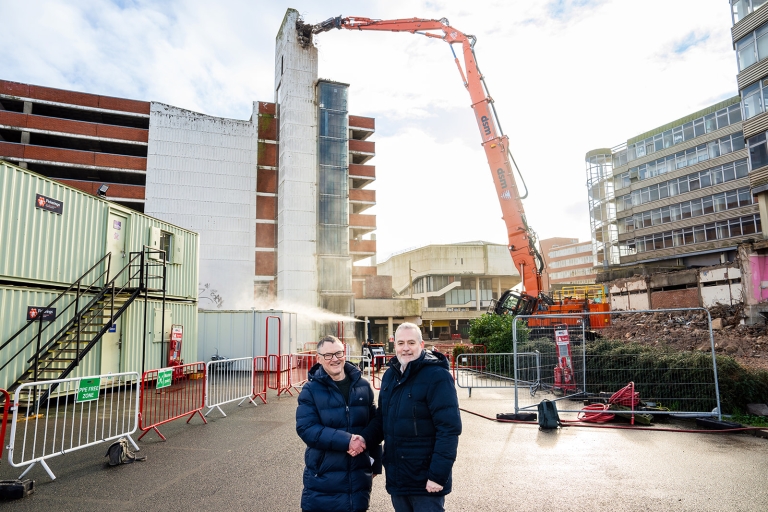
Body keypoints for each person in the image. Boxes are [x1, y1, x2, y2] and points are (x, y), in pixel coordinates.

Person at [360, 322, 462, 512]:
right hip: (398, 478)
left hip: (426, 481)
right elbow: (383, 419)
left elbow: (449, 429)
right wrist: (364, 439)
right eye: (400, 343)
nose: (405, 348)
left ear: (421, 345)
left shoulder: (438, 377)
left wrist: (438, 476)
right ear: (395, 346)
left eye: (411, 343)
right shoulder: (390, 376)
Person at [296, 335, 381, 512]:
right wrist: (347, 440)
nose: (334, 359)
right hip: (324, 478)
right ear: (318, 359)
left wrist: (375, 463)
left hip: (358, 476)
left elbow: (375, 424)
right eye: (328, 355)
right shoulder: (310, 390)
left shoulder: (363, 386)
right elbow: (307, 428)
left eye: (338, 353)